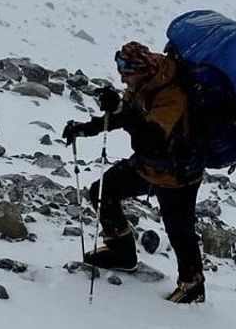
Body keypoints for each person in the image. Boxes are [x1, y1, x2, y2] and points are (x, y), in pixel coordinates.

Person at [63, 41, 207, 304]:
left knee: (179, 231)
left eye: (127, 73)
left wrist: (121, 111)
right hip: (149, 166)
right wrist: (86, 129)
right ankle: (122, 253)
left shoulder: (171, 95)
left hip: (179, 176)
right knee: (102, 191)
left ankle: (192, 286)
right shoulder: (143, 83)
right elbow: (125, 116)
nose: (122, 78)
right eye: (121, 70)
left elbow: (151, 138)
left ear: (143, 69)